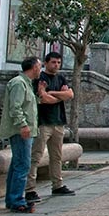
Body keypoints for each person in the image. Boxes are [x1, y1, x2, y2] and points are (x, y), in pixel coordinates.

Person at [25, 51, 76, 203]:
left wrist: (51, 92)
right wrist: (59, 95)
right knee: (36, 156)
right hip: (43, 122)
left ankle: (57, 184)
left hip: (58, 121)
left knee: (57, 156)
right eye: (53, 62)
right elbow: (44, 99)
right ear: (46, 63)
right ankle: (30, 189)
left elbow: (70, 95)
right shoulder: (39, 78)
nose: (56, 65)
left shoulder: (61, 77)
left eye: (59, 63)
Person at [0, 57, 41, 213]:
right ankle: (17, 200)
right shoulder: (18, 83)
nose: (40, 70)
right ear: (33, 67)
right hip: (21, 131)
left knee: (17, 164)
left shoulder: (27, 84)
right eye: (39, 66)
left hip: (26, 129)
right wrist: (23, 125)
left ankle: (12, 199)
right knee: (23, 164)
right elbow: (15, 108)